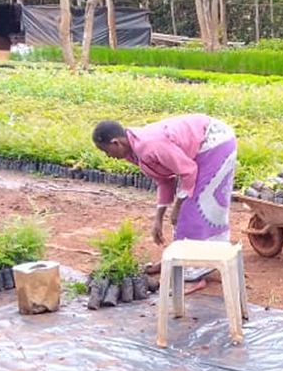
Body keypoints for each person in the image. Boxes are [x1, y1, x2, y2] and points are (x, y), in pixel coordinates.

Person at [93, 115, 237, 281]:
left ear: (116, 143)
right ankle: (182, 260)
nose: (108, 156)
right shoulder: (133, 152)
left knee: (192, 207)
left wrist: (177, 206)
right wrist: (158, 220)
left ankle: (196, 269)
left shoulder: (149, 145)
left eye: (106, 151)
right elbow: (164, 180)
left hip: (215, 142)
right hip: (201, 147)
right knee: (188, 208)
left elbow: (188, 171)